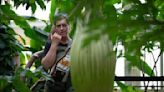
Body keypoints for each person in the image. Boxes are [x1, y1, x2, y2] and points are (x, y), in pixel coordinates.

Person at [32, 13, 73, 92]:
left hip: (69, 86)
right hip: (52, 86)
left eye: (64, 25)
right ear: (55, 28)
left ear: (69, 27)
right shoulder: (50, 44)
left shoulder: (75, 45)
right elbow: (46, 65)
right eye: (58, 26)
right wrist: (54, 44)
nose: (61, 28)